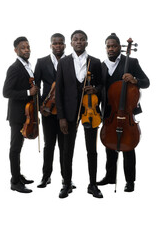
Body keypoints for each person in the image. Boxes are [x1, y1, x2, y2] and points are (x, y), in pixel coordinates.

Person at [97, 33, 150, 192]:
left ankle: (130, 181)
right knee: (109, 144)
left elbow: (146, 82)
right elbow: (101, 89)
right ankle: (110, 177)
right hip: (109, 112)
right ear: (106, 48)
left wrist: (135, 80)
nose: (111, 48)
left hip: (127, 112)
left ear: (120, 47)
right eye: (108, 46)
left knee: (128, 146)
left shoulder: (131, 62)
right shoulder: (102, 65)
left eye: (114, 46)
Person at [56, 30, 103, 198]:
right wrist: (61, 116)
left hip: (90, 111)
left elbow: (102, 85)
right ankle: (66, 183)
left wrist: (95, 89)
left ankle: (93, 184)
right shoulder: (63, 62)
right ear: (71, 43)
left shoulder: (95, 62)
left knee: (92, 150)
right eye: (75, 39)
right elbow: (59, 91)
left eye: (82, 39)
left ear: (87, 43)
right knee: (67, 150)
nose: (79, 42)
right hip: (68, 112)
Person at [3, 36, 38, 193]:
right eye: (23, 48)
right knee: (15, 148)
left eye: (28, 47)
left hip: (27, 114)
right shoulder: (14, 68)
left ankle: (17, 175)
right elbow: (6, 92)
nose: (27, 50)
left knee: (19, 147)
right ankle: (15, 182)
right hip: (18, 115)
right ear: (16, 50)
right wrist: (27, 92)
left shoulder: (28, 66)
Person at [34, 33, 70, 188]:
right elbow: (36, 87)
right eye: (55, 43)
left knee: (65, 146)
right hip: (48, 110)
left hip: (66, 111)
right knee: (49, 145)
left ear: (65, 45)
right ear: (50, 45)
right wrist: (41, 107)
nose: (58, 46)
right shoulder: (41, 62)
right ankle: (45, 176)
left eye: (61, 43)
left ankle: (66, 178)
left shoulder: (70, 61)